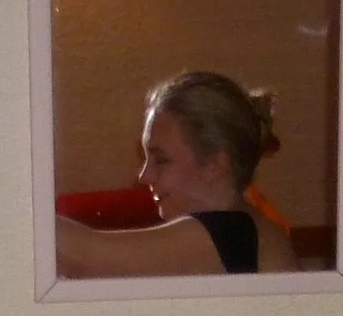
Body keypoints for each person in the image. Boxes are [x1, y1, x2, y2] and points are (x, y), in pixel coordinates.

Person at [55, 71, 297, 278]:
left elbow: (83, 257)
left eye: (161, 160)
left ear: (214, 164)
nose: (143, 176)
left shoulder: (232, 233)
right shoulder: (253, 230)